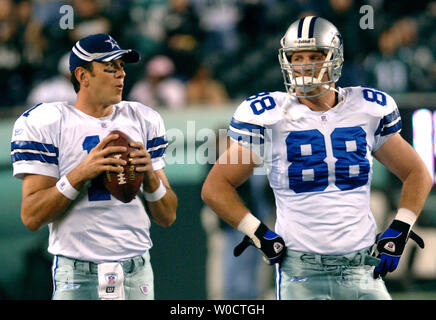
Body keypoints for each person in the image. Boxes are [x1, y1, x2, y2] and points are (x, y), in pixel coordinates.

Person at [201, 16, 432, 300]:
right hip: (302, 272)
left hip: (362, 268)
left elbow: (417, 173)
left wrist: (401, 227)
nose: (304, 65)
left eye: (315, 56)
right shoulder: (269, 115)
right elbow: (216, 186)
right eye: (296, 57)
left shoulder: (368, 109)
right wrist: (257, 231)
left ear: (335, 58)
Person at [10, 33, 178, 300]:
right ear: (82, 75)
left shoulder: (143, 119)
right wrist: (80, 174)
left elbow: (167, 217)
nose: (120, 75)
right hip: (77, 273)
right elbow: (32, 216)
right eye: (110, 68)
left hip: (137, 271)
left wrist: (150, 178)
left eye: (122, 67)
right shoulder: (47, 122)